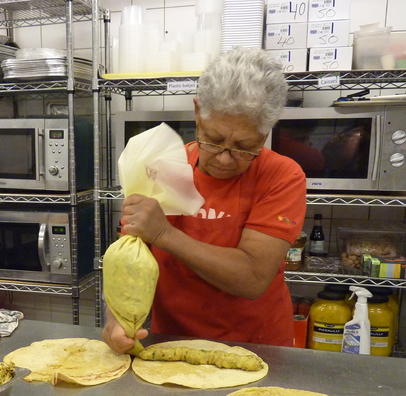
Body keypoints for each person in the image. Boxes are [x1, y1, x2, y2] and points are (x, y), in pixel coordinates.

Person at [102, 47, 307, 353]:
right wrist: (114, 319)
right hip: (170, 342)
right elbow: (127, 264)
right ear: (197, 112)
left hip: (255, 348)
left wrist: (164, 233)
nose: (225, 158)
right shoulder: (159, 168)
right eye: (213, 139)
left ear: (266, 132)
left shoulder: (282, 176)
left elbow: (252, 278)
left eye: (244, 146)